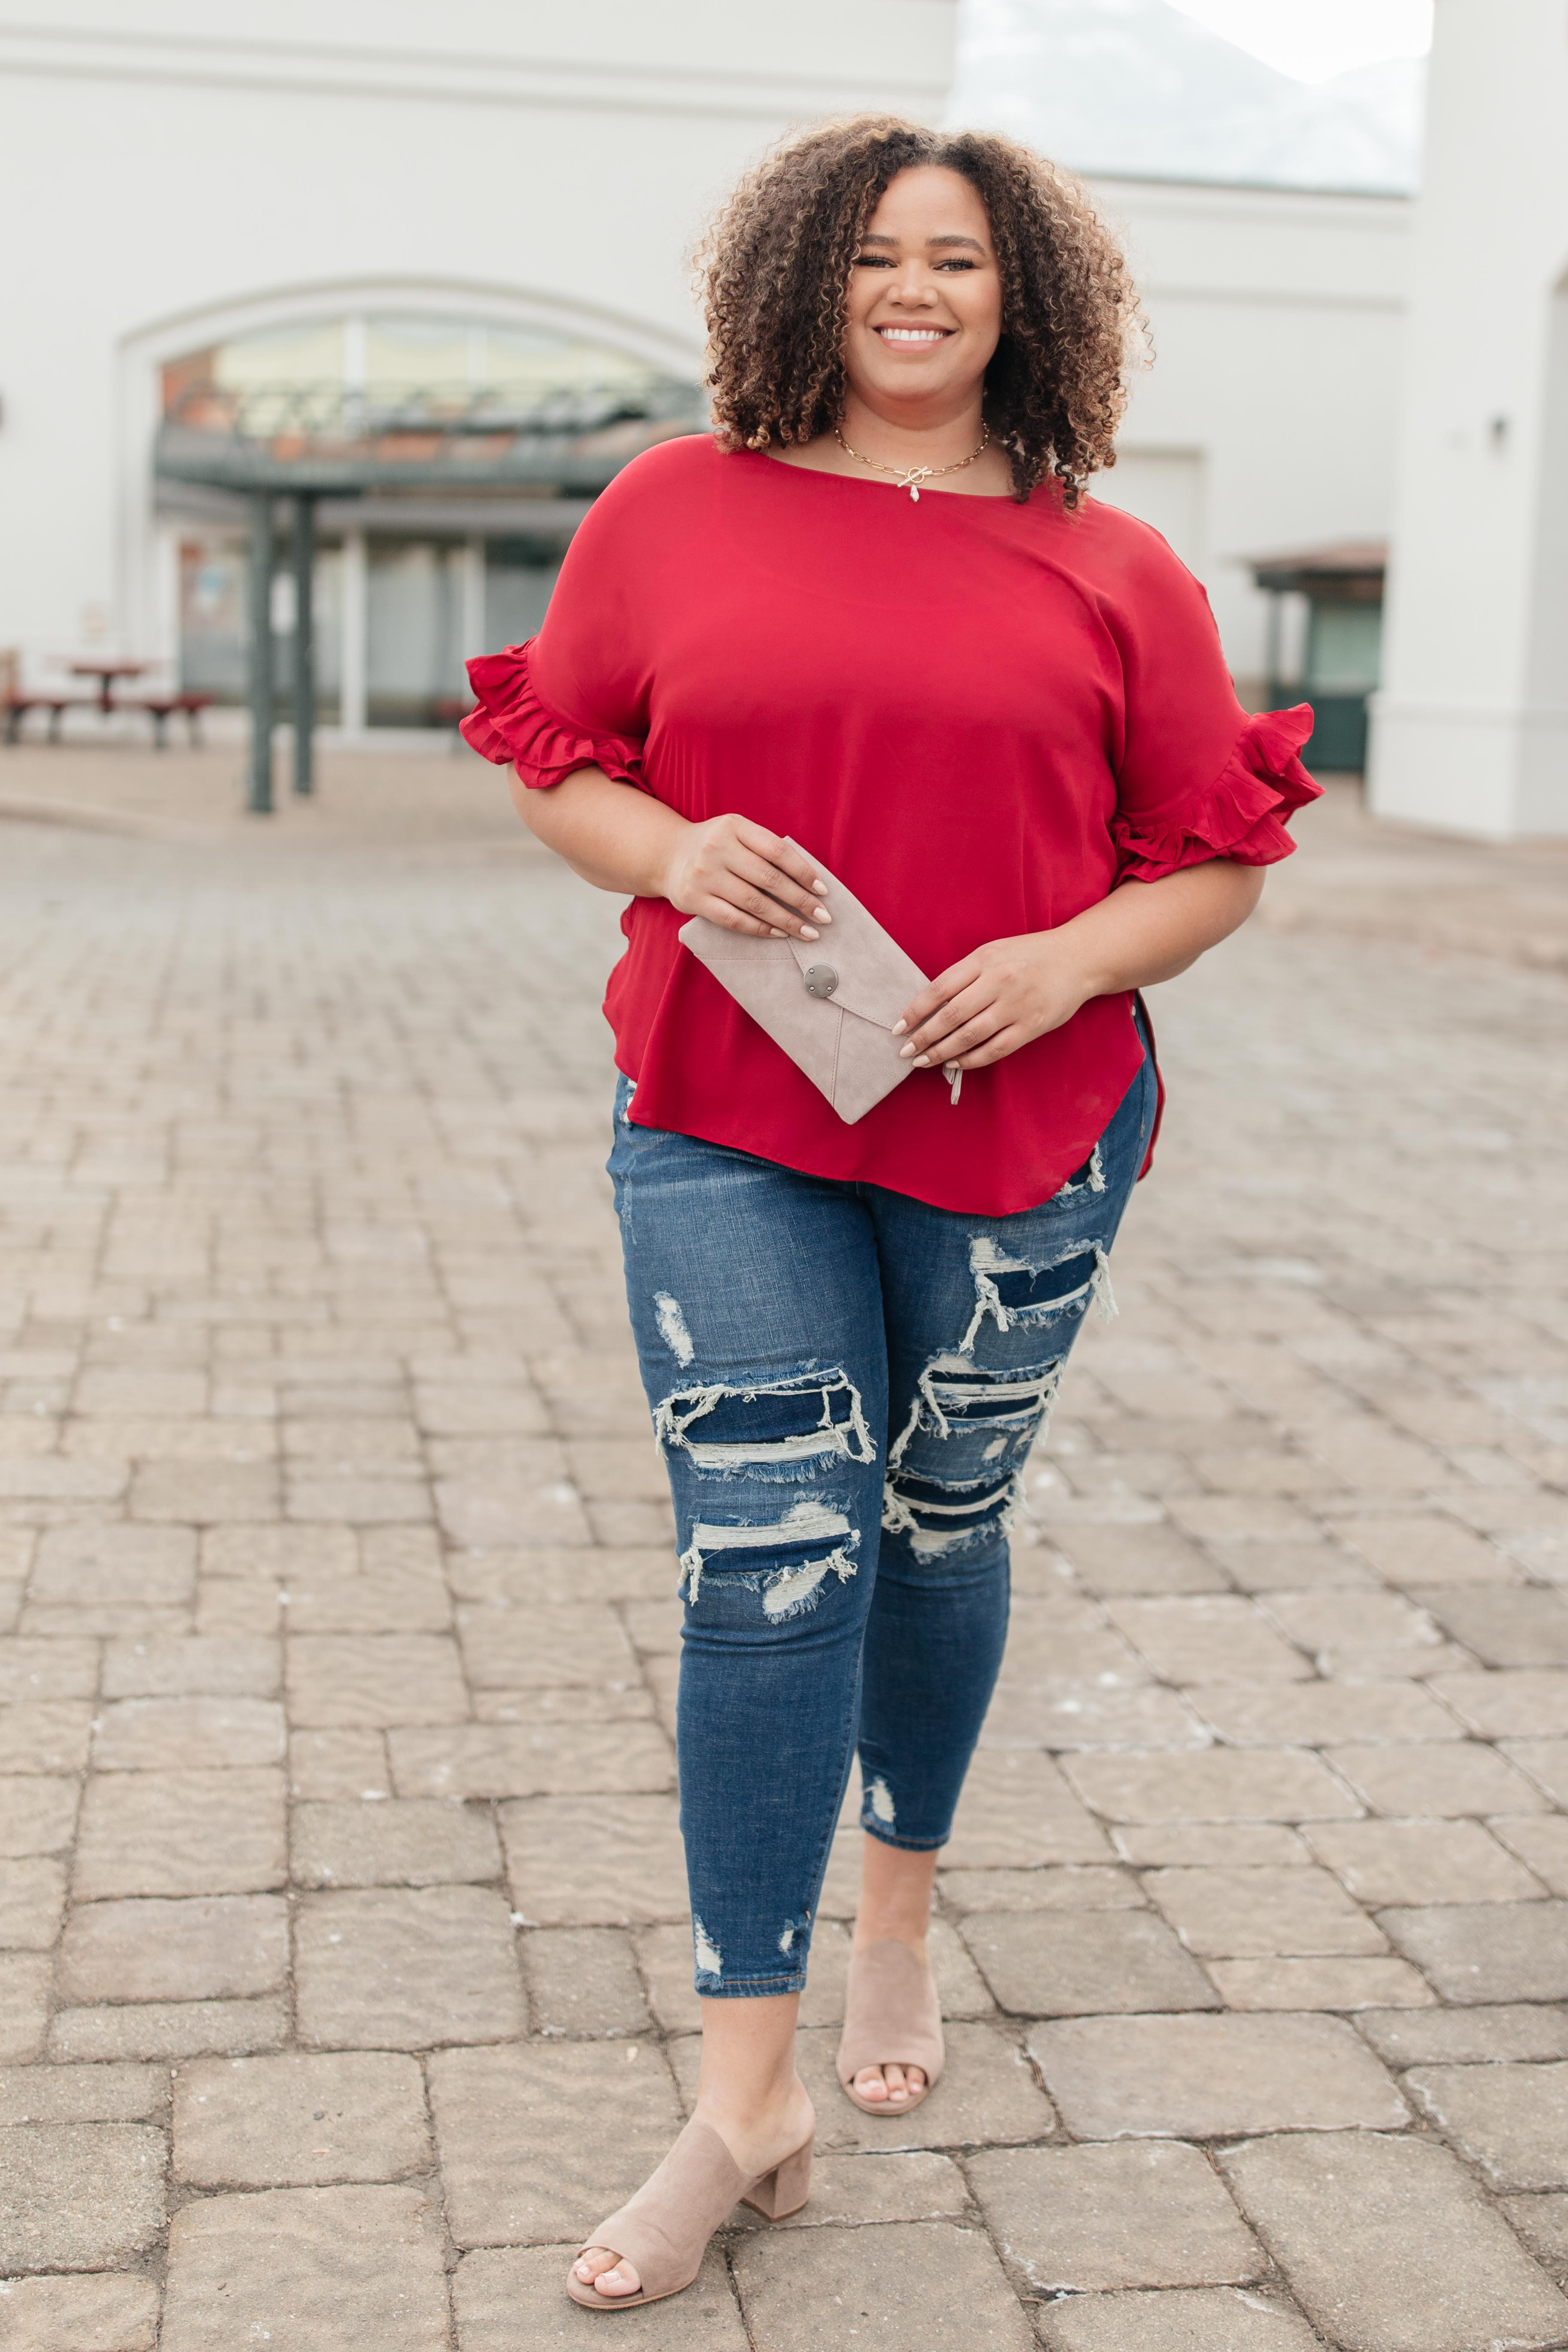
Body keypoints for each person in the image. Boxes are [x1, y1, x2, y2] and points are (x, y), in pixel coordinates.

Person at [462, 114, 1317, 2311]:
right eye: (870, 258)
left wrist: (1071, 958)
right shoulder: (673, 504)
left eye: (953, 257)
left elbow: (1215, 858)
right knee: (767, 1560)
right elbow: (562, 754)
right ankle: (740, 2096)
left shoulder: (1115, 564)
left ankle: (900, 1914)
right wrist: (663, 855)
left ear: (1019, 292)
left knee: (938, 1517)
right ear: (801, 287)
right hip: (725, 1106)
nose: (912, 290)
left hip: (1028, 1125)